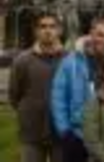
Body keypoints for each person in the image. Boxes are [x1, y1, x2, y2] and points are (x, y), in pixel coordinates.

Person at [51, 18, 104, 162]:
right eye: (100, 35)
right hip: (77, 135)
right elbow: (58, 97)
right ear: (91, 34)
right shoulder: (70, 62)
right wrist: (64, 131)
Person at [8, 12, 65, 162]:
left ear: (59, 30)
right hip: (31, 131)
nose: (48, 31)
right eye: (43, 27)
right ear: (36, 31)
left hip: (61, 130)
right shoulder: (22, 61)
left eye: (52, 26)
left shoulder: (69, 59)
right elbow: (14, 95)